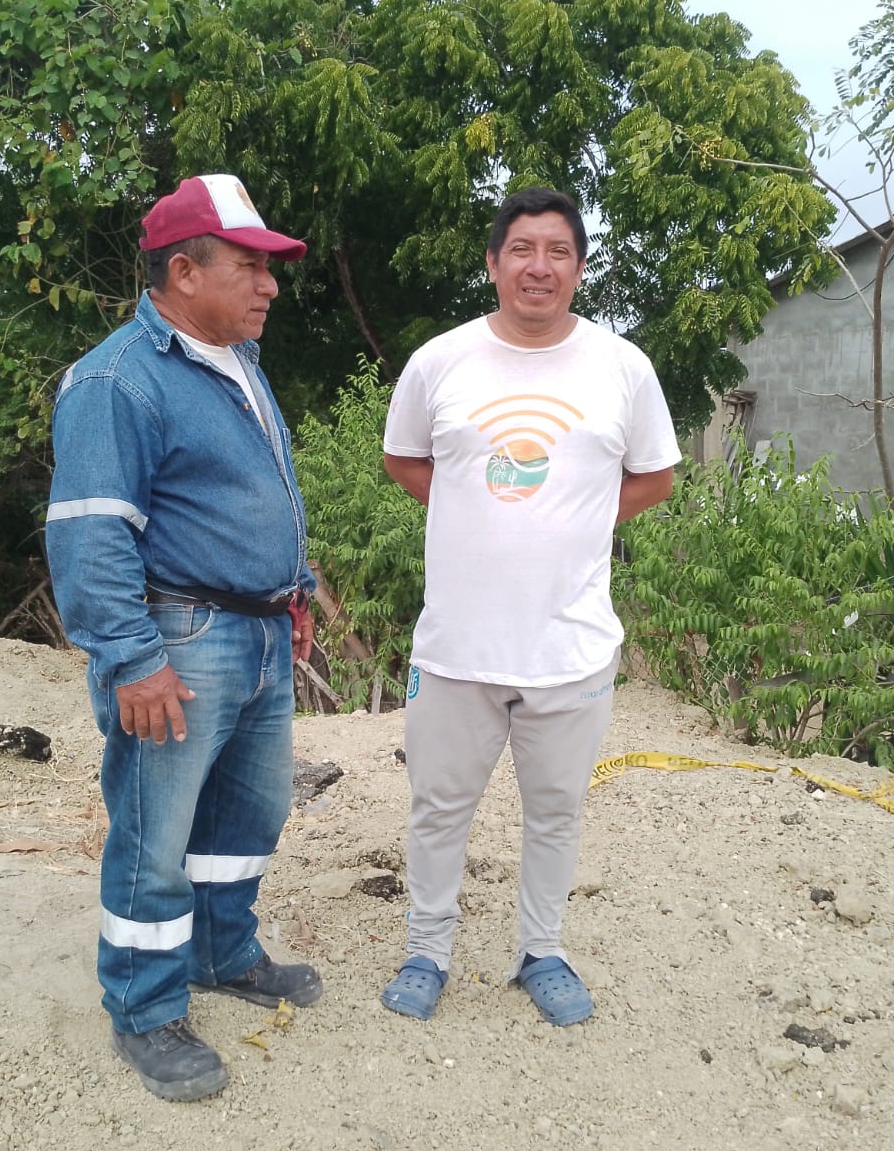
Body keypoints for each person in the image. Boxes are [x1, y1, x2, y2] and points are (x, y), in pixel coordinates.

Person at [45, 173, 322, 1102]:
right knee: (155, 834)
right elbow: (90, 532)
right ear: (183, 271)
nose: (270, 285)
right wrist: (132, 659)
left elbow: (256, 493)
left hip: (258, 632)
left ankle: (220, 953)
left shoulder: (237, 359)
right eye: (250, 266)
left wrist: (296, 590)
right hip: (180, 638)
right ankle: (145, 1007)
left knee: (248, 816)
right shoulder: (118, 380)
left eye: (271, 269)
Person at [379, 186, 680, 1027]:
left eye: (557, 251)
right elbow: (404, 459)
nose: (538, 267)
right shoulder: (441, 361)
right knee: (439, 809)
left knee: (555, 813)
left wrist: (574, 520)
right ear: (493, 263)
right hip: (456, 647)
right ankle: (427, 951)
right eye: (522, 249)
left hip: (572, 647)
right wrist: (477, 511)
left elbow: (655, 477)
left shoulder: (622, 367)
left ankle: (541, 951)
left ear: (579, 268)